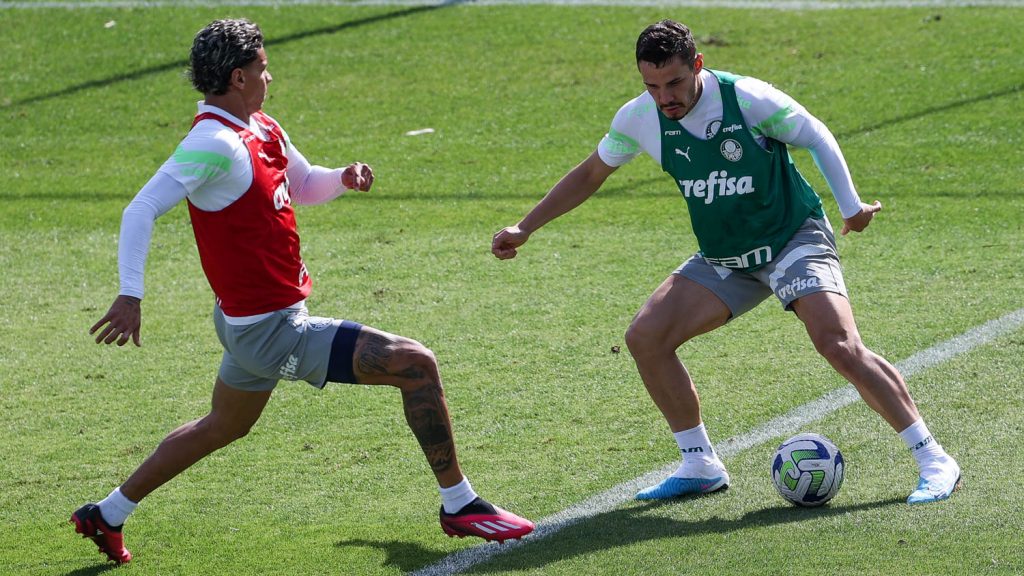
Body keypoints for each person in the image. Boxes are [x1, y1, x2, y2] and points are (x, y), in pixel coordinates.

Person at [73, 18, 533, 565]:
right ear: (240, 77)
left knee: (223, 425)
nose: (271, 76)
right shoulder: (212, 144)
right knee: (415, 364)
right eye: (264, 68)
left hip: (250, 324)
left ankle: (107, 514)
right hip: (270, 330)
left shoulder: (260, 127)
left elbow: (306, 182)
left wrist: (344, 177)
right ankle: (460, 505)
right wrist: (130, 294)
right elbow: (141, 207)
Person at [492, 19, 959, 505]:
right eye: (651, 86)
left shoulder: (748, 100)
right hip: (726, 257)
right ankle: (699, 464)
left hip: (790, 237)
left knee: (837, 343)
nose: (664, 97)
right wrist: (526, 227)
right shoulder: (640, 118)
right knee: (646, 338)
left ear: (697, 65)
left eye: (673, 82)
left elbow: (815, 134)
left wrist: (851, 207)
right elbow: (592, 172)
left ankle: (934, 459)